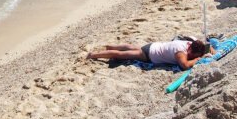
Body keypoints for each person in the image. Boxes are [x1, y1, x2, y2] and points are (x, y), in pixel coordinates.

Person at [86, 37, 215, 70]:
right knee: (120, 55)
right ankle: (94, 55)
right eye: (194, 55)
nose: (195, 57)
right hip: (150, 55)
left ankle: (111, 46)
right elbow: (185, 65)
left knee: (131, 47)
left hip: (153, 46)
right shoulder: (181, 52)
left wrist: (208, 51)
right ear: (191, 50)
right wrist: (198, 59)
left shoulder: (189, 42)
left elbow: (206, 46)